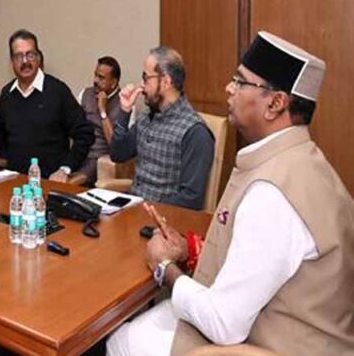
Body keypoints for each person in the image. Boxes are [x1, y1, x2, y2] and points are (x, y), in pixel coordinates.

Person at [106, 32, 354, 356]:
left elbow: (224, 324)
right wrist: (190, 251)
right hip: (273, 319)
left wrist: (163, 267)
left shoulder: (272, 194)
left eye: (240, 82)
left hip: (272, 343)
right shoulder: (305, 163)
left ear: (275, 103)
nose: (228, 88)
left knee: (122, 340)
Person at [110, 46, 214, 210]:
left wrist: (147, 209)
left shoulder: (195, 132)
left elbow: (190, 199)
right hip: (133, 209)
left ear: (165, 82)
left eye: (146, 78)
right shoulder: (147, 117)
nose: (142, 85)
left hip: (162, 218)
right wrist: (124, 111)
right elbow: (118, 154)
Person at [0, 29, 93, 182]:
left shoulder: (57, 91)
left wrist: (65, 169)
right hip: (11, 180)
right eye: (19, 56)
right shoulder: (7, 93)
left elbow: (85, 134)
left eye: (30, 54)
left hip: (48, 181)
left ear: (38, 58)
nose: (25, 61)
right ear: (12, 62)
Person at [75, 55, 123, 186]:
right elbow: (73, 126)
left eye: (101, 78)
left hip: (98, 159)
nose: (95, 80)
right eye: (95, 75)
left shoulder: (124, 104)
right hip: (79, 152)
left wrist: (103, 111)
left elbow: (116, 146)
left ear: (113, 82)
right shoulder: (85, 94)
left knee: (70, 184)